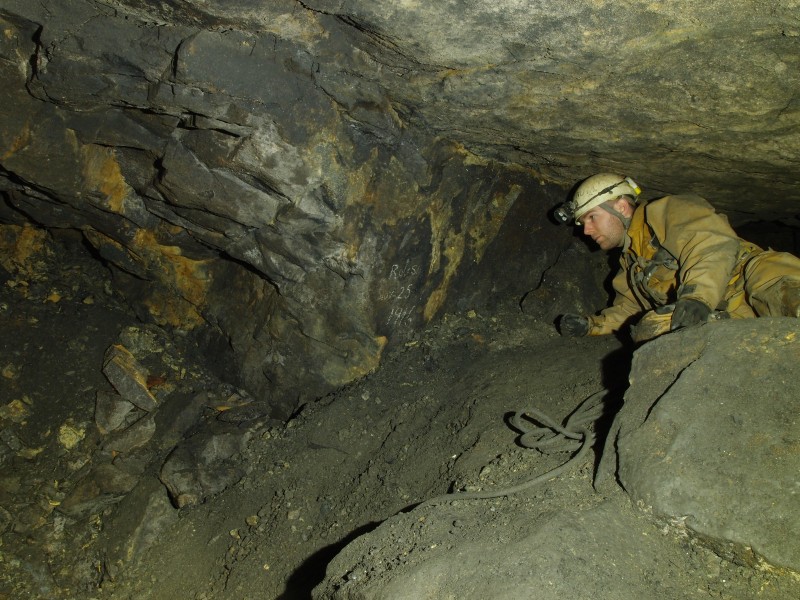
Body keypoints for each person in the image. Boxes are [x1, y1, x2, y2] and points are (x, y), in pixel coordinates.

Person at [555, 173, 800, 342]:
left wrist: (697, 297)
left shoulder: (666, 211)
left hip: (752, 277)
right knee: (651, 329)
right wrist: (591, 325)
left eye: (591, 218)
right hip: (727, 312)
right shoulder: (631, 263)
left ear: (619, 206)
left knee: (785, 294)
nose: (585, 230)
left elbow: (709, 243)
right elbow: (629, 308)